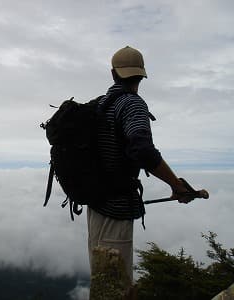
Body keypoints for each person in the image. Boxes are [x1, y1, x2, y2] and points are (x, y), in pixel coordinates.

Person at [87, 46, 194, 286]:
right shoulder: (131, 104)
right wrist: (175, 184)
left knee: (101, 278)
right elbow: (141, 149)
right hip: (116, 207)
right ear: (141, 75)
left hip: (94, 203)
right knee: (116, 283)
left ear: (113, 73)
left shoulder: (100, 105)